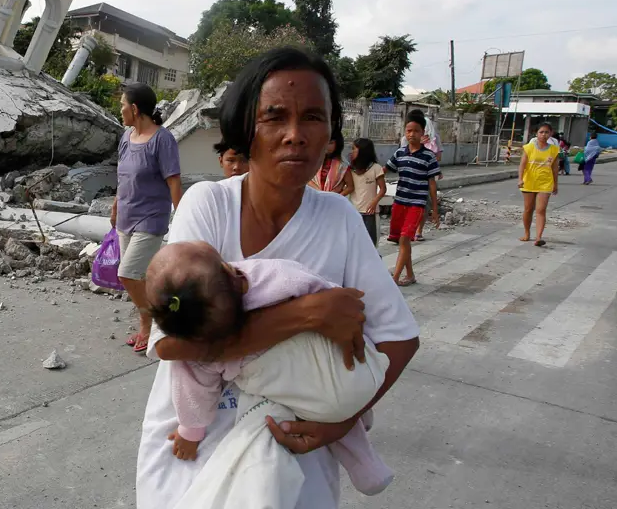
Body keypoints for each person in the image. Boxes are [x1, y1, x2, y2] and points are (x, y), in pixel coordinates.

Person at [136, 45, 419, 509]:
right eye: (274, 117)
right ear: (247, 129)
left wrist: (344, 420)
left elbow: (400, 339)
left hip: (293, 452)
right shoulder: (208, 205)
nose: (295, 135)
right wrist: (309, 313)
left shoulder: (338, 218)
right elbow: (171, 343)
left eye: (312, 117)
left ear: (330, 133)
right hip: (192, 442)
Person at [145, 242, 393, 500]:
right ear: (231, 270)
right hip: (358, 367)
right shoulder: (273, 275)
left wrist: (190, 434)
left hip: (313, 402)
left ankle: (359, 468)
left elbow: (194, 395)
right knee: (333, 391)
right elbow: (319, 289)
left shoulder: (200, 353)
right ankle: (368, 466)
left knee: (274, 408)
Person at [110, 83, 182, 355]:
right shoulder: (126, 137)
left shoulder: (163, 140)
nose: (121, 110)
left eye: (122, 106)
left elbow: (174, 181)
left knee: (127, 274)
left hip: (151, 219)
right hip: (126, 217)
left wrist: (184, 218)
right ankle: (163, 319)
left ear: (135, 109)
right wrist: (116, 206)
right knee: (141, 276)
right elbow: (123, 176)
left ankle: (147, 322)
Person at [385, 112, 440, 286]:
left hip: (417, 204)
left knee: (404, 239)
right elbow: (384, 170)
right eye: (408, 130)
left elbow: (432, 184)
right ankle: (410, 275)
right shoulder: (399, 153)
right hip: (400, 202)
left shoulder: (429, 156)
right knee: (403, 240)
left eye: (416, 131)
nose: (411, 134)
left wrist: (434, 210)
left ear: (423, 133)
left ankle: (394, 278)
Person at [400, 110, 442, 241]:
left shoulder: (435, 138)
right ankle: (408, 229)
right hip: (409, 178)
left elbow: (438, 157)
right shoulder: (404, 139)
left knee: (424, 203)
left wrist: (426, 152)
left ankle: (419, 230)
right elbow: (403, 157)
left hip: (427, 177)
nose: (412, 133)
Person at [518, 122, 560, 246]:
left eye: (546, 132)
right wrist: (520, 179)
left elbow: (555, 168)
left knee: (541, 210)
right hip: (529, 182)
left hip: (545, 183)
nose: (543, 135)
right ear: (536, 134)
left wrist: (555, 184)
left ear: (551, 134)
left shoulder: (554, 150)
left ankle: (538, 237)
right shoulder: (529, 147)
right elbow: (522, 165)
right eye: (541, 132)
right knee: (528, 209)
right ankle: (527, 233)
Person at [349, 138, 386, 247]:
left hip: (370, 212)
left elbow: (383, 189)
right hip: (354, 211)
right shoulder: (350, 169)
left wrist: (374, 202)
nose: (351, 152)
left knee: (371, 244)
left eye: (354, 149)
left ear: (363, 151)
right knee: (355, 244)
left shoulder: (375, 168)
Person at [308, 130, 353, 196]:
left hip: (333, 201)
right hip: (314, 197)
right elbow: (307, 179)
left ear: (337, 144)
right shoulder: (314, 160)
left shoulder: (343, 165)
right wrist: (320, 192)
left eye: (331, 143)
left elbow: (350, 187)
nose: (326, 146)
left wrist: (336, 197)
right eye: (324, 142)